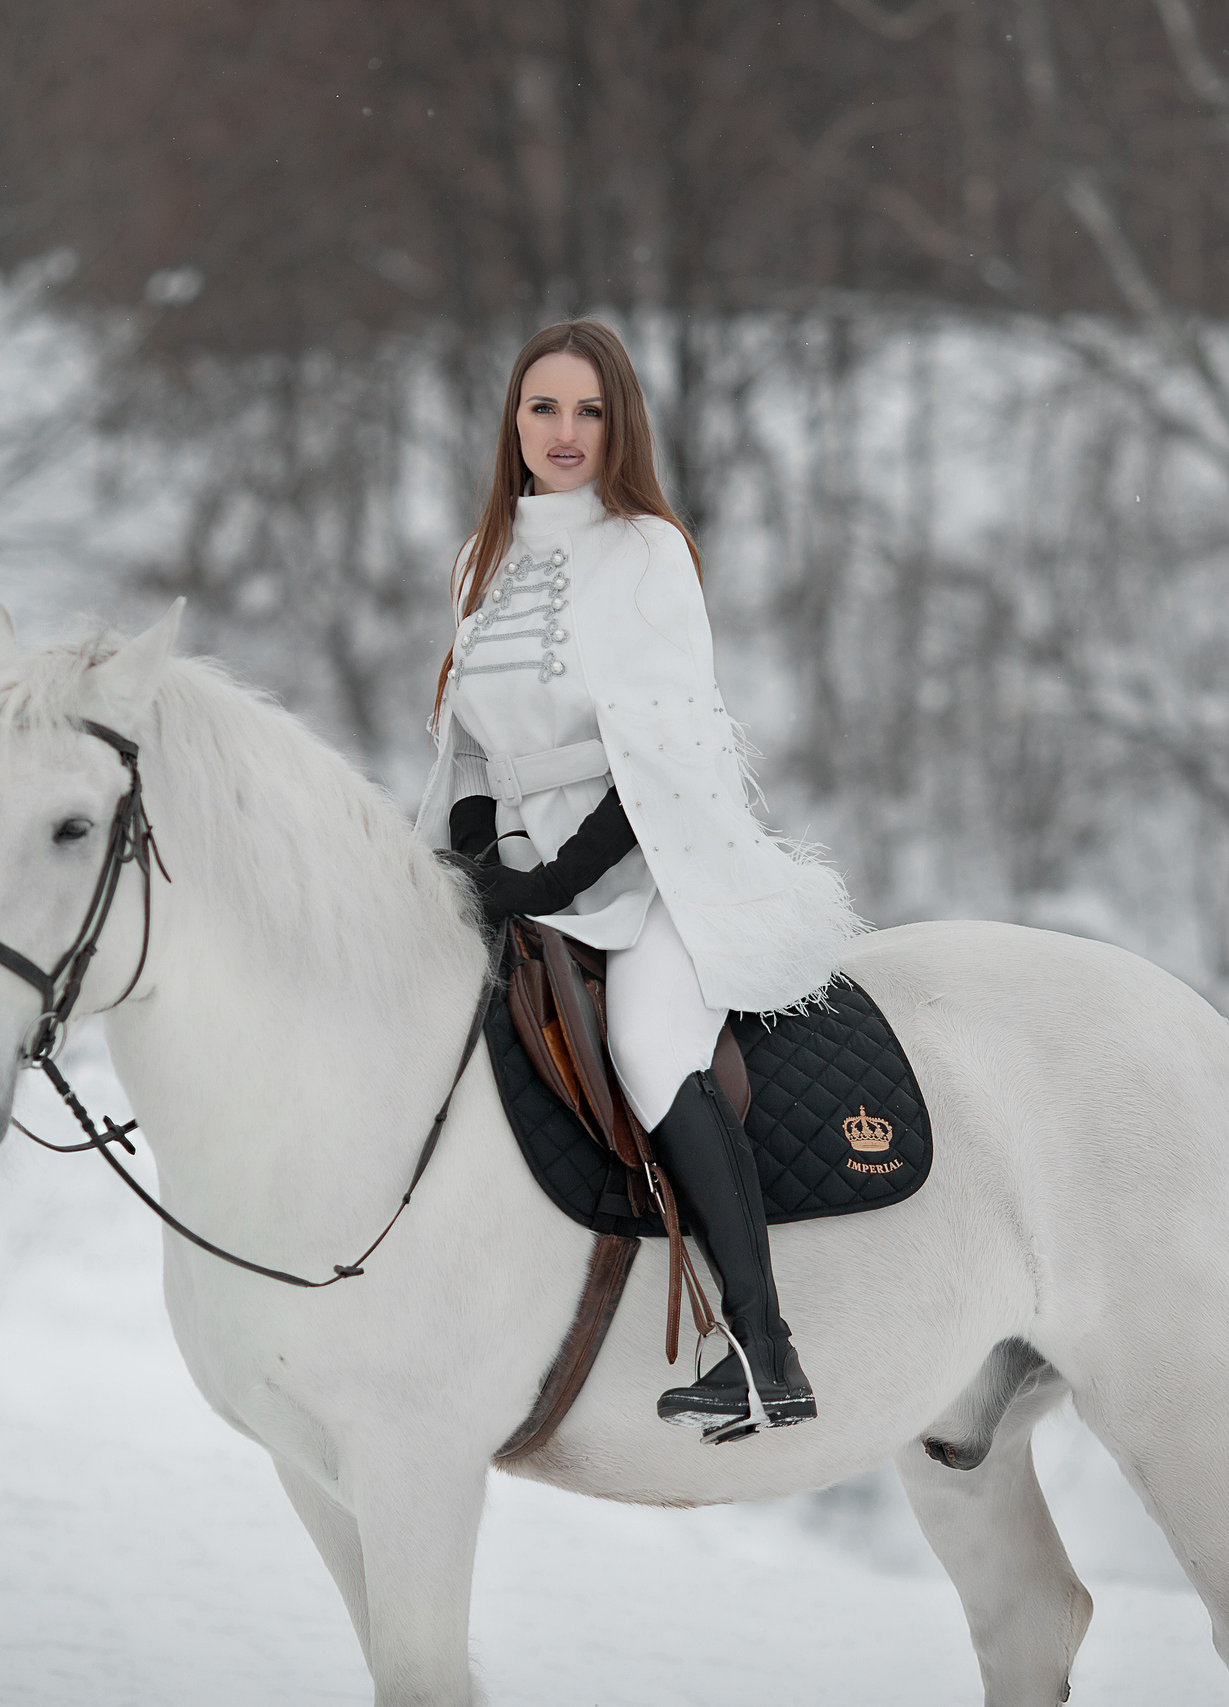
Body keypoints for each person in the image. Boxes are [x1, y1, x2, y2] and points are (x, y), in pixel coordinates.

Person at [416, 319, 862, 1441]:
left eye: (588, 411)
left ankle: (764, 1352)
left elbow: (668, 751)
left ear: (620, 425)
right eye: (541, 408)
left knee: (650, 1048)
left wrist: (558, 873)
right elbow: (467, 748)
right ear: (511, 420)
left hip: (650, 863)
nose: (563, 434)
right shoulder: (480, 557)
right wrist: (481, 865)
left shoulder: (649, 548)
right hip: (515, 866)